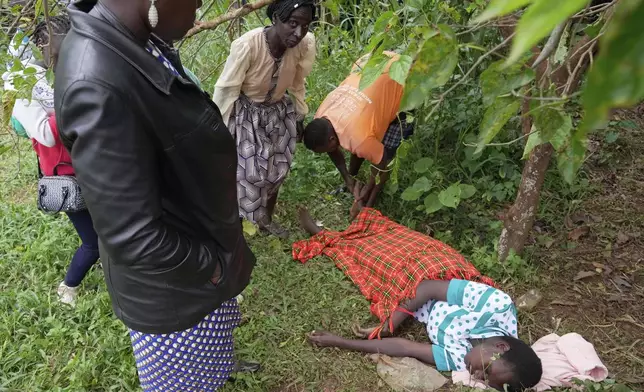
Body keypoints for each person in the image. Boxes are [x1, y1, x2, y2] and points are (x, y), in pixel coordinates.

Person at [54, 1, 256, 390]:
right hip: (177, 295)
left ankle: (219, 366)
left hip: (197, 268)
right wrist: (212, 266)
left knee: (212, 366)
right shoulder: (96, 84)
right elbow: (135, 237)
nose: (199, 3)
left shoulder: (132, 41)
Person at [298, 209, 542, 391]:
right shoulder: (497, 307)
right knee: (388, 251)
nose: (477, 376)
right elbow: (428, 287)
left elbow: (405, 347)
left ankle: (330, 237)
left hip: (416, 303)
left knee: (367, 269)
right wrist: (388, 325)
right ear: (501, 347)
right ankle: (343, 223)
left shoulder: (462, 359)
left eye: (486, 382)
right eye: (486, 370)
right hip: (435, 274)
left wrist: (341, 342)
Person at [9, 15, 100, 307]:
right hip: (66, 175)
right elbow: (46, 134)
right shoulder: (21, 89)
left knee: (109, 230)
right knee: (93, 241)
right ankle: (68, 287)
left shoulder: (55, 76)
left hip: (89, 166)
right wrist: (81, 105)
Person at [213, 0, 317, 238]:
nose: (299, 33)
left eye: (305, 26)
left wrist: (300, 113)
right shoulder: (248, 46)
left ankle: (264, 219)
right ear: (276, 19)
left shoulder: (302, 46)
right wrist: (217, 129)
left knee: (276, 170)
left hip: (278, 114)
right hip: (247, 115)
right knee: (248, 173)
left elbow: (297, 82)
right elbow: (226, 90)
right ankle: (236, 225)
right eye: (292, 23)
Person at [301, 51, 414, 212]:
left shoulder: (359, 138)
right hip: (373, 61)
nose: (330, 151)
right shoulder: (322, 116)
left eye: (327, 149)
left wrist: (364, 198)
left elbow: (383, 163)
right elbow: (337, 148)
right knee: (362, 139)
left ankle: (370, 203)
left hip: (401, 77)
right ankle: (353, 180)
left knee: (385, 150)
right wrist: (348, 178)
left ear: (332, 139)